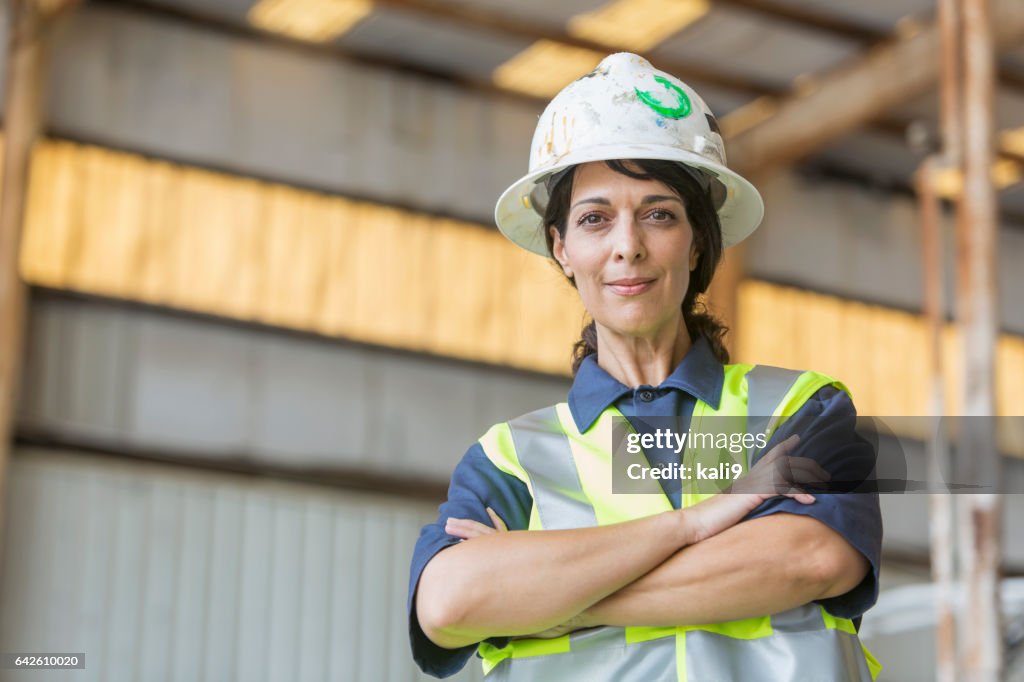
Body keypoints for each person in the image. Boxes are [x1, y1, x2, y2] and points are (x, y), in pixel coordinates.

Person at [408, 52, 883, 681]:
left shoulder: (801, 409)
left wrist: (546, 601)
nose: (626, 244)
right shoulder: (511, 459)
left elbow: (810, 561)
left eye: (658, 214)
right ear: (563, 249)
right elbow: (448, 603)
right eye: (594, 219)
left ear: (696, 239)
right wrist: (689, 526)